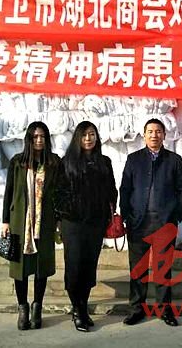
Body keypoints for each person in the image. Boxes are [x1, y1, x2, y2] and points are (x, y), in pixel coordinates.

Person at [120, 118, 182, 327]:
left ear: (164, 135)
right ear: (144, 135)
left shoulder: (174, 160)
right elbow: (125, 189)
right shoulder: (134, 159)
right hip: (138, 223)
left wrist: (176, 215)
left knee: (163, 270)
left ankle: (164, 309)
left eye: (158, 131)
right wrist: (126, 216)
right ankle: (136, 309)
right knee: (138, 269)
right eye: (150, 131)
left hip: (164, 224)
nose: (154, 135)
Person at [56, 121, 117, 332]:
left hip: (95, 223)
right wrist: (68, 211)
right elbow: (58, 192)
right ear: (77, 139)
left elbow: (111, 189)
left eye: (92, 134)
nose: (88, 139)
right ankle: (78, 309)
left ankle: (83, 306)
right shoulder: (67, 162)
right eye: (84, 135)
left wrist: (107, 211)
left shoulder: (104, 162)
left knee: (89, 266)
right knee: (74, 266)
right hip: (73, 223)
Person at [1, 122, 62, 330]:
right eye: (35, 137)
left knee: (40, 267)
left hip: (44, 223)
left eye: (42, 136)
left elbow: (59, 193)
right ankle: (22, 308)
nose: (39, 140)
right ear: (29, 139)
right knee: (20, 268)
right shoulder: (18, 162)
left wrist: (59, 219)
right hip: (20, 223)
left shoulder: (53, 162)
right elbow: (9, 192)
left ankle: (37, 308)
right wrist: (5, 221)